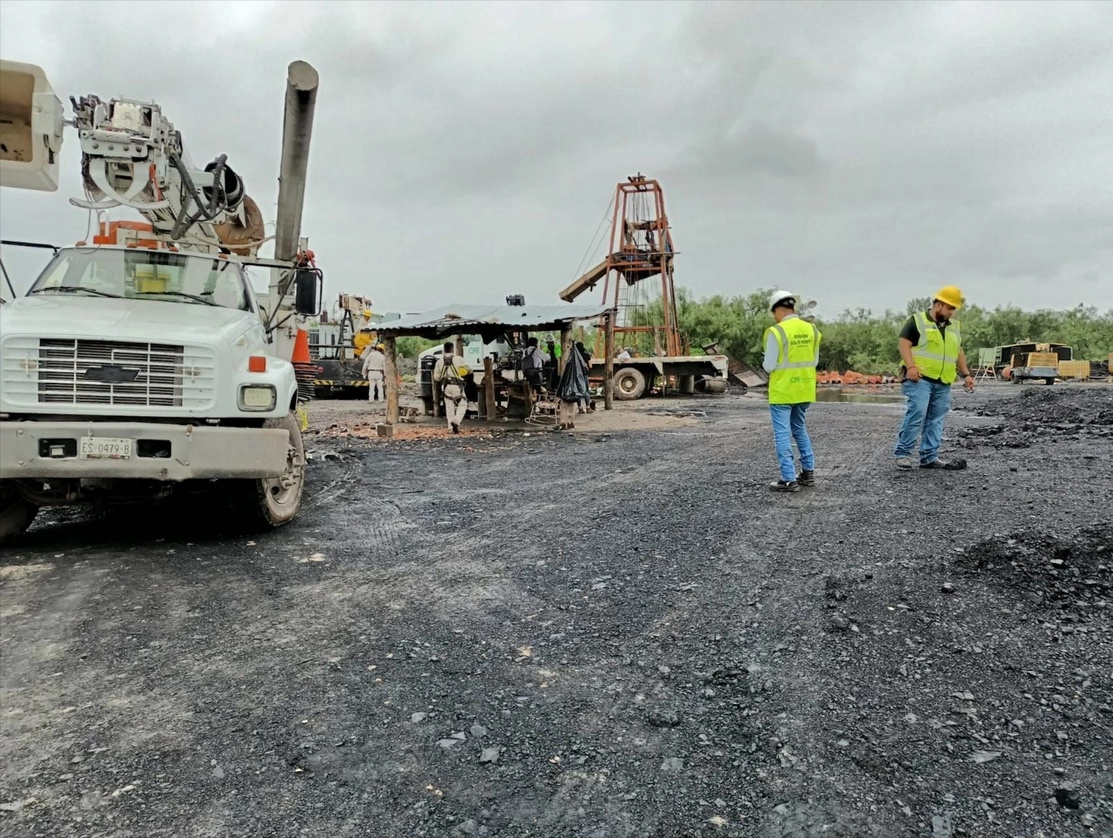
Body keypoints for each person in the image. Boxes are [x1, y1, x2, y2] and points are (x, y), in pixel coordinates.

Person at [893, 286, 975, 470]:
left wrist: (966, 374)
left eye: (954, 309)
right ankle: (903, 453)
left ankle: (929, 457)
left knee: (936, 419)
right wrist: (911, 367)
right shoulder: (917, 321)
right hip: (919, 379)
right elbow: (904, 344)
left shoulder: (954, 327)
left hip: (943, 381)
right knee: (917, 413)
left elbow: (958, 351)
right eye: (950, 308)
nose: (952, 312)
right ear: (938, 305)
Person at [762, 290, 821, 493]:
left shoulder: (776, 332)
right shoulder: (812, 329)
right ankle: (808, 473)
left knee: (782, 434)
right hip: (804, 388)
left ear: (777, 310)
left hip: (783, 391)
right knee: (799, 429)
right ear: (793, 307)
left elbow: (769, 366)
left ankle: (788, 479)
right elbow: (815, 361)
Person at [433, 342, 471, 434]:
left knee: (449, 407)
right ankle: (456, 421)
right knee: (463, 404)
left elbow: (436, 378)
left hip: (445, 387)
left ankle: (450, 427)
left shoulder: (439, 361)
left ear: (444, 350)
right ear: (452, 349)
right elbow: (469, 370)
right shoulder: (459, 359)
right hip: (457, 385)